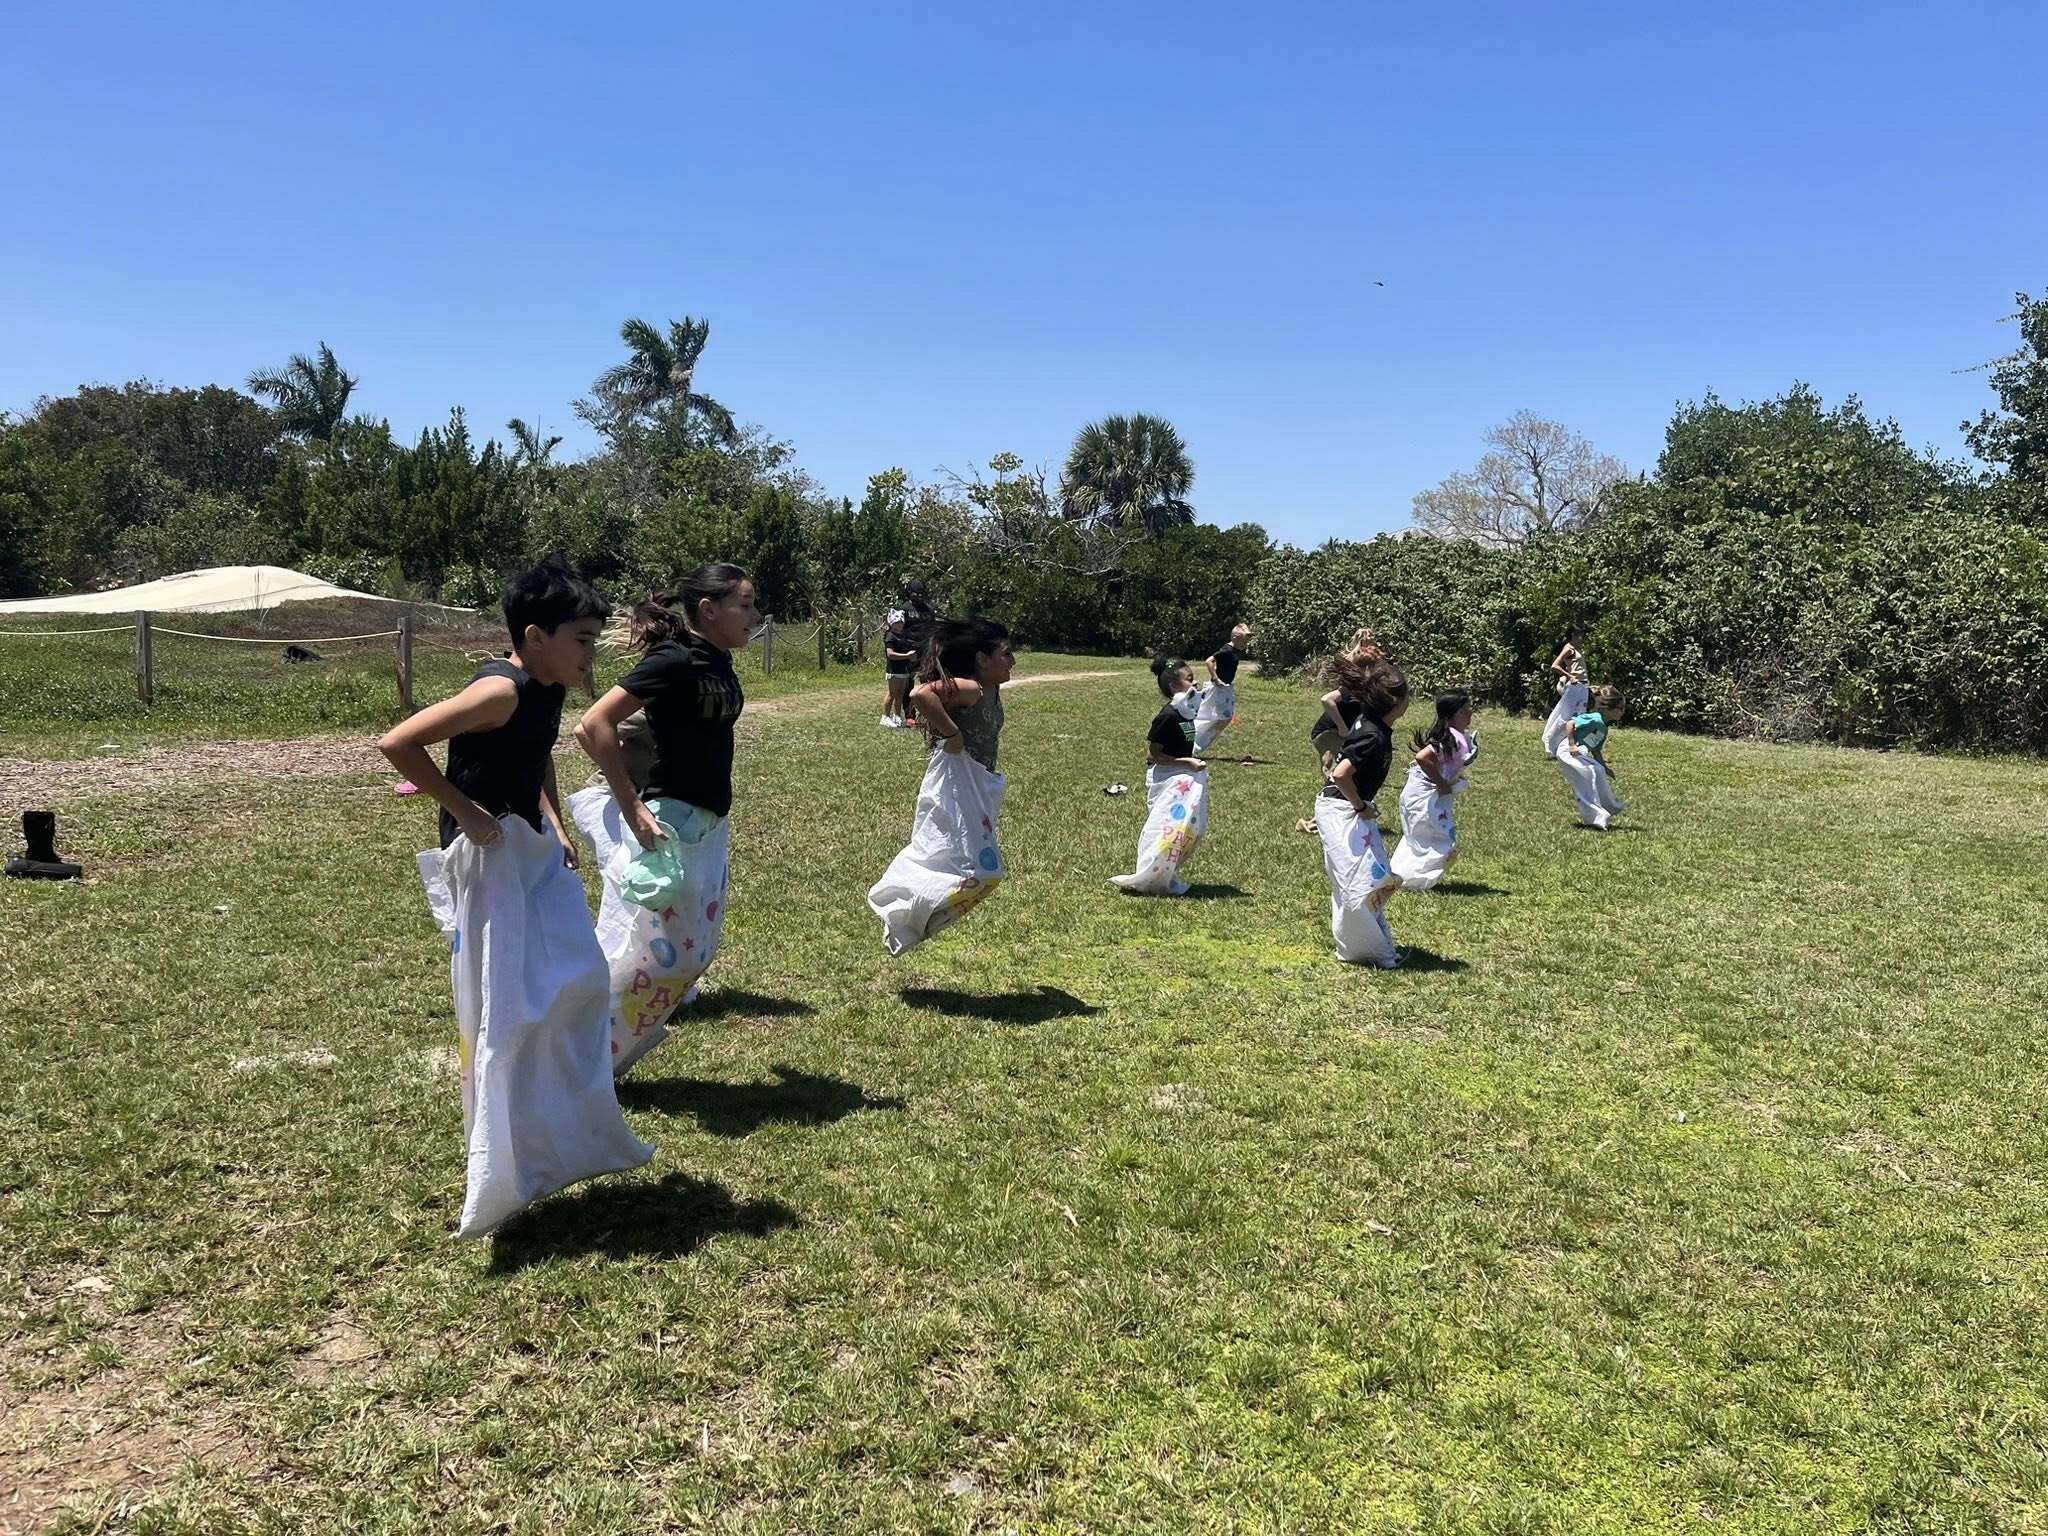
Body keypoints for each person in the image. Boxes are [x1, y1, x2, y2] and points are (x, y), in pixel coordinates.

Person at [379, 556, 653, 1238]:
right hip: (490, 856)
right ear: (535, 636)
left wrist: (556, 822)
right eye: (582, 639)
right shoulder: (499, 690)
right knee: (504, 1008)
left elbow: (538, 760)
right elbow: (399, 743)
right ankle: (499, 1170)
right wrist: (463, 809)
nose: (591, 654)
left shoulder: (545, 684)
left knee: (580, 980)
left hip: (528, 845)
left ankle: (560, 1133)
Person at [570, 564, 756, 1075]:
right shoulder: (676, 659)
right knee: (652, 955)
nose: (755, 615)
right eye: (745, 604)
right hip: (669, 818)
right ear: (708, 610)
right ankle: (584, 1060)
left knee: (691, 954)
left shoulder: (719, 660)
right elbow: (593, 724)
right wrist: (630, 805)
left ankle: (603, 1059)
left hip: (708, 820)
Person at [867, 618, 1015, 954]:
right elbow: (921, 695)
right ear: (982, 659)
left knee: (968, 863)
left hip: (977, 780)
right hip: (956, 777)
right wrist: (952, 733)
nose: (1012, 661)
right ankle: (899, 901)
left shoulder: (991, 689)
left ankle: (909, 918)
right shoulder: (972, 688)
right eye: (1005, 654)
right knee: (975, 866)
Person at [1314, 661, 1411, 967]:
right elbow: (1341, 774)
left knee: (1373, 878)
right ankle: (1368, 951)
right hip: (1340, 809)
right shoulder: (1373, 734)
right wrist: (1360, 805)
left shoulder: (1373, 722)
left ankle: (1364, 946)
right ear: (1395, 703)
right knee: (1361, 881)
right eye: (1407, 696)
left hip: (1344, 807)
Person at [1111, 658, 1210, 895]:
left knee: (1187, 829)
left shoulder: (1187, 711)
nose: (1195, 681)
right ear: (1175, 686)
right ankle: (1147, 874)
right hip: (1168, 778)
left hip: (1185, 777)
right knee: (1166, 827)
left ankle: (1164, 872)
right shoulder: (1168, 716)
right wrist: (1186, 762)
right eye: (1189, 679)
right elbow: (1153, 754)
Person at [1389, 691, 1478, 891]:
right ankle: (1411, 880)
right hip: (1424, 796)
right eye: (1465, 710)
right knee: (1432, 836)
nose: (1470, 712)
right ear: (1451, 715)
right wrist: (1441, 783)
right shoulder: (1449, 737)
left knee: (1427, 836)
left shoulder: (1457, 736)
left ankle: (1405, 876)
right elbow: (1422, 757)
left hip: (1433, 796)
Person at [1556, 684, 1629, 830]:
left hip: (1578, 753)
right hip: (1567, 751)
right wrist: (1571, 744)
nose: (1623, 712)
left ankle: (1611, 806)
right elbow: (1570, 724)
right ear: (1609, 708)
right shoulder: (1595, 718)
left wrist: (1605, 767)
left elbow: (1595, 750)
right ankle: (1596, 817)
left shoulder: (1603, 728)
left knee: (1598, 770)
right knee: (1588, 775)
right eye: (1620, 708)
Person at [880, 581, 934, 729]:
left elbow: (933, 628)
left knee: (928, 683)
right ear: (909, 593)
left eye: (921, 593)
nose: (919, 596)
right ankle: (910, 715)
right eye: (915, 593)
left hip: (925, 651)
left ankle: (930, 714)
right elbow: (896, 629)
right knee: (907, 685)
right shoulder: (904, 609)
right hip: (908, 652)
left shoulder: (929, 609)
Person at [1194, 623, 1252, 753]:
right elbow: (1209, 661)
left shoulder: (1235, 650)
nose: (1246, 644)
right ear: (1235, 637)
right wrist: (1215, 677)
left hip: (1226, 688)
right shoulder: (1227, 650)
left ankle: (1197, 743)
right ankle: (1192, 741)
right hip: (1217, 688)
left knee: (1224, 717)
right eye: (1244, 640)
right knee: (1209, 716)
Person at [1541, 629, 1591, 757]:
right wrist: (1569, 676)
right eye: (1580, 635)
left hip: (1582, 686)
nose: (1582, 638)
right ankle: (1550, 743)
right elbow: (1555, 665)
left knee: (1579, 716)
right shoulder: (1569, 649)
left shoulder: (1574, 649)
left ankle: (1572, 746)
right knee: (1565, 717)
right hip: (1575, 686)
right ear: (1573, 636)